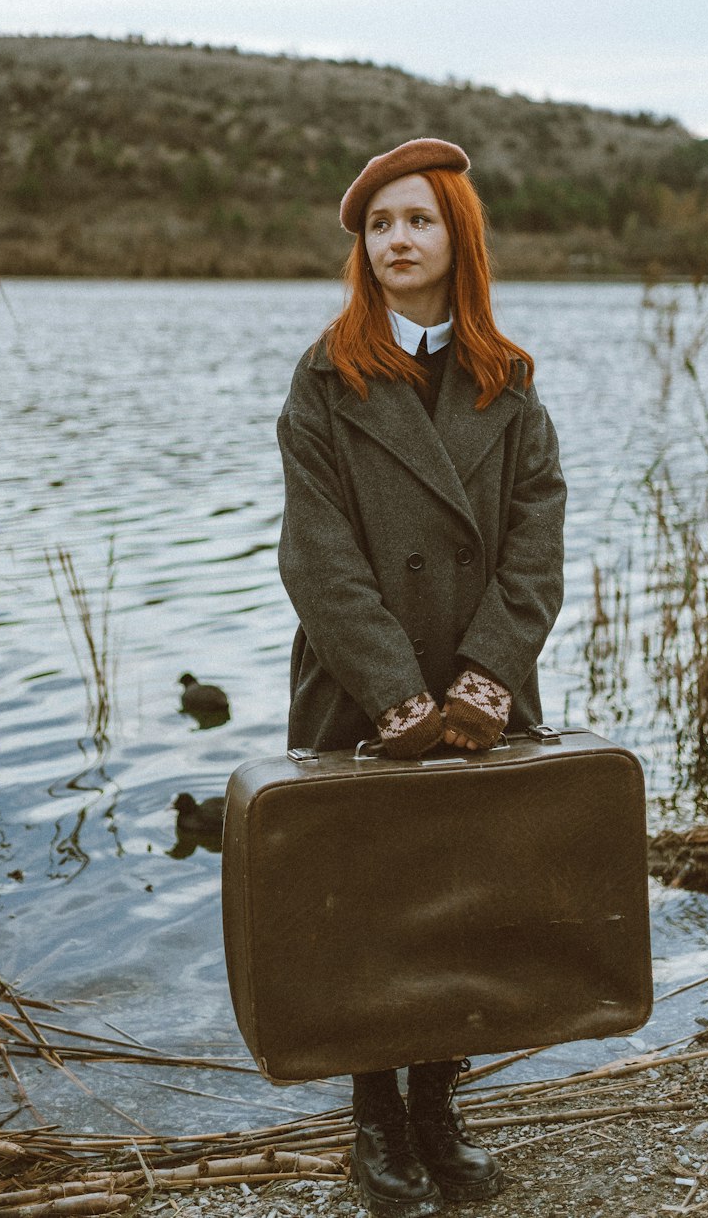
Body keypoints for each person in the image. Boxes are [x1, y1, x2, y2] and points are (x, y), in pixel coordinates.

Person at [276, 137, 566, 1217]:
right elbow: (315, 552)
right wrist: (397, 696)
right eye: (379, 225)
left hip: (479, 685)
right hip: (363, 687)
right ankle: (373, 1121)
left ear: (458, 239)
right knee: (365, 903)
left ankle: (438, 1109)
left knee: (464, 901)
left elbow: (539, 536)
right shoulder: (324, 378)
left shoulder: (509, 378)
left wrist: (486, 680)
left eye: (418, 221)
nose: (397, 239)